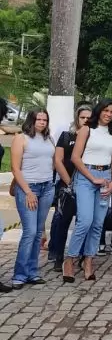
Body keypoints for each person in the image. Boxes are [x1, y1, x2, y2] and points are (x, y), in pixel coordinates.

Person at [62, 99, 112, 282]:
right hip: (86, 176)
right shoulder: (87, 129)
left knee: (97, 223)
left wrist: (111, 183)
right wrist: (92, 177)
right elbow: (75, 157)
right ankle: (70, 260)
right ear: (99, 111)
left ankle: (89, 260)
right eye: (106, 110)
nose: (109, 114)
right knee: (85, 221)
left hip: (105, 178)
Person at [7, 109, 55, 290]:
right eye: (38, 119)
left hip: (47, 187)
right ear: (31, 120)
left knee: (38, 234)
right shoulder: (21, 138)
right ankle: (19, 274)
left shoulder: (48, 139)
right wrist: (27, 192)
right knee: (30, 231)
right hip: (29, 187)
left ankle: (32, 272)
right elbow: (15, 167)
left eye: (45, 119)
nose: (42, 122)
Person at [49, 105, 92, 272]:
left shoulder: (93, 137)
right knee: (63, 222)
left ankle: (81, 256)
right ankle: (58, 257)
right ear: (77, 118)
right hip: (67, 185)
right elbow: (58, 160)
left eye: (89, 117)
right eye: (82, 117)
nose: (86, 120)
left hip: (86, 184)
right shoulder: (67, 136)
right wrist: (68, 182)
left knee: (85, 222)